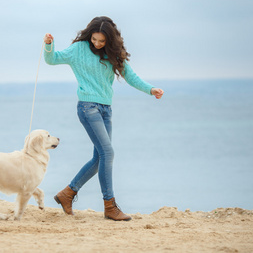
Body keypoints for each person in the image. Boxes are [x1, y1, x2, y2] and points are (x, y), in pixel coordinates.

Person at [43, 16, 164, 221]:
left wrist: (150, 89)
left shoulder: (113, 54)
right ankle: (110, 206)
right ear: (90, 35)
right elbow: (52, 59)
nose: (97, 43)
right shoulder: (79, 49)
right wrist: (48, 45)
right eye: (94, 39)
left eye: (101, 40)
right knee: (108, 152)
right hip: (88, 107)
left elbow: (131, 76)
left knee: (100, 158)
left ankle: (67, 194)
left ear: (109, 39)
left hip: (106, 109)